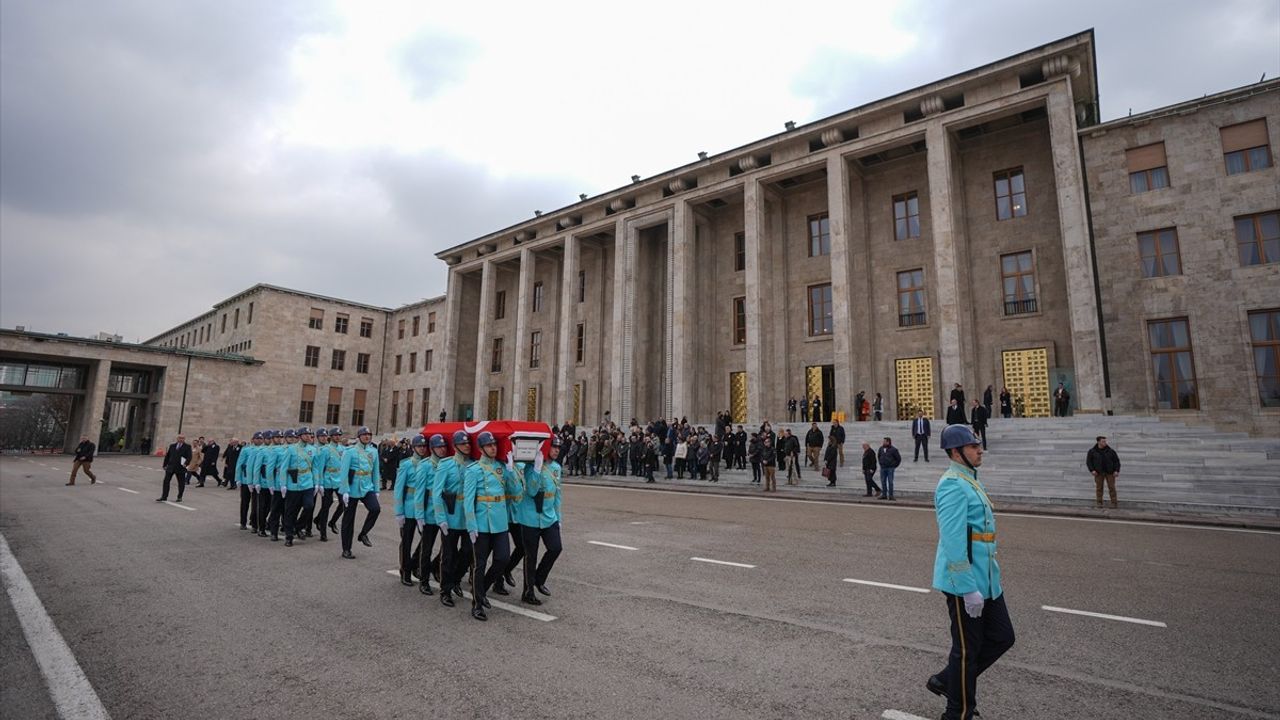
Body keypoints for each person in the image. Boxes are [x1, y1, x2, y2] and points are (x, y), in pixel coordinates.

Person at [927, 424, 1013, 720]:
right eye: (973, 446)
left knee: (1003, 637)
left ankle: (947, 681)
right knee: (966, 650)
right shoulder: (952, 484)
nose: (980, 450)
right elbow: (952, 541)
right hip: (964, 582)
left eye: (978, 445)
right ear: (955, 452)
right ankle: (958, 713)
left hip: (987, 580)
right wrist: (966, 587)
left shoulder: (970, 480)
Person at [464, 431, 518, 622]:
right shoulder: (473, 470)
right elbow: (468, 501)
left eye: (494, 444)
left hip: (500, 521)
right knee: (480, 564)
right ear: (481, 448)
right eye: (489, 445)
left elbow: (516, 492)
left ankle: (482, 589)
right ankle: (477, 604)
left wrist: (511, 471)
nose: (493, 448)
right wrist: (471, 525)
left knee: (502, 560)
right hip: (482, 522)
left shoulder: (502, 467)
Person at [516, 436, 563, 605]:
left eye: (558, 447)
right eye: (553, 447)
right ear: (545, 448)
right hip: (530, 518)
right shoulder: (530, 467)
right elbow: (532, 491)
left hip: (549, 516)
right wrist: (536, 469)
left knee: (556, 548)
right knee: (531, 556)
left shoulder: (556, 468)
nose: (557, 450)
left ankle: (539, 579)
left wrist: (559, 519)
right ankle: (527, 592)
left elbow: (557, 495)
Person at [433, 430, 473, 607]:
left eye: (468, 443)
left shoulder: (472, 464)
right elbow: (437, 493)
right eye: (463, 443)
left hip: (467, 517)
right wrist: (441, 518)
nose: (467, 446)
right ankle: (445, 590)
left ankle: (456, 579)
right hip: (450, 515)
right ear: (455, 446)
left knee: (466, 553)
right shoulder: (446, 465)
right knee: (448, 555)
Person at [337, 427, 381, 559]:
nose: (367, 437)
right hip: (352, 488)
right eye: (364, 434)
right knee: (348, 520)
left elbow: (375, 471)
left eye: (369, 434)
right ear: (359, 436)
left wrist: (377, 489)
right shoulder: (350, 451)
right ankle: (346, 549)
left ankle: (363, 533)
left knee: (375, 509)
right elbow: (343, 472)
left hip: (367, 487)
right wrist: (344, 491)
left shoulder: (373, 451)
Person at [394, 435, 430, 585]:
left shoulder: (429, 464)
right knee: (407, 540)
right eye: (419, 446)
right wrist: (399, 512)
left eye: (424, 446)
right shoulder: (407, 464)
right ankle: (405, 570)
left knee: (426, 539)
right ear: (414, 447)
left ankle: (415, 563)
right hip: (409, 507)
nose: (422, 448)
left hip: (425, 507)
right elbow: (398, 489)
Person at [280, 427, 318, 547]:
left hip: (308, 483)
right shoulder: (291, 449)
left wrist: (316, 483)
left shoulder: (313, 449)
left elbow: (315, 467)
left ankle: (298, 526)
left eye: (309, 434)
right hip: (293, 483)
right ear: (300, 436)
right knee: (291, 511)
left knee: (309, 506)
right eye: (305, 434)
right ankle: (289, 536)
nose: (308, 436)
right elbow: (284, 468)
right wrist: (283, 484)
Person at [317, 428, 346, 541]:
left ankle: (332, 521)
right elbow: (320, 468)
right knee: (325, 506)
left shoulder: (343, 449)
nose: (337, 437)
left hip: (339, 480)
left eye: (339, 435)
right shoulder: (325, 449)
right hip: (328, 479)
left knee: (343, 503)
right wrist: (320, 483)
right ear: (331, 436)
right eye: (335, 435)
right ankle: (323, 533)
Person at [235, 432, 262, 530]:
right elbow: (239, 464)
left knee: (256, 503)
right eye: (257, 438)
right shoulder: (246, 449)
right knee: (245, 502)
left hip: (257, 480)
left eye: (261, 439)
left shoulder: (263, 450)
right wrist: (237, 479)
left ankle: (254, 523)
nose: (259, 440)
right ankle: (243, 522)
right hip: (245, 480)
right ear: (253, 439)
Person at [1085, 436, 1121, 509]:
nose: (1105, 443)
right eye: (1103, 441)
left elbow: (1117, 461)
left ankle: (1114, 503)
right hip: (1098, 473)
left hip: (1110, 472)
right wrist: (1092, 470)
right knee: (1099, 488)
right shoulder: (1092, 451)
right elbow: (1089, 462)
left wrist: (1116, 470)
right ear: (1098, 442)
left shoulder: (1111, 451)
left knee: (1112, 488)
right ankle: (1099, 503)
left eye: (1105, 441)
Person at [156, 434, 192, 502]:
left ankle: (179, 497)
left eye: (183, 438)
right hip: (171, 467)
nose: (181, 439)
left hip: (181, 467)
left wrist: (186, 463)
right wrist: (164, 465)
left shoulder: (187, 446)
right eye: (180, 438)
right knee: (166, 481)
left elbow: (189, 456)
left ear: (184, 439)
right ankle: (164, 496)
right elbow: (168, 456)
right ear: (177, 438)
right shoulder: (172, 446)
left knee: (181, 483)